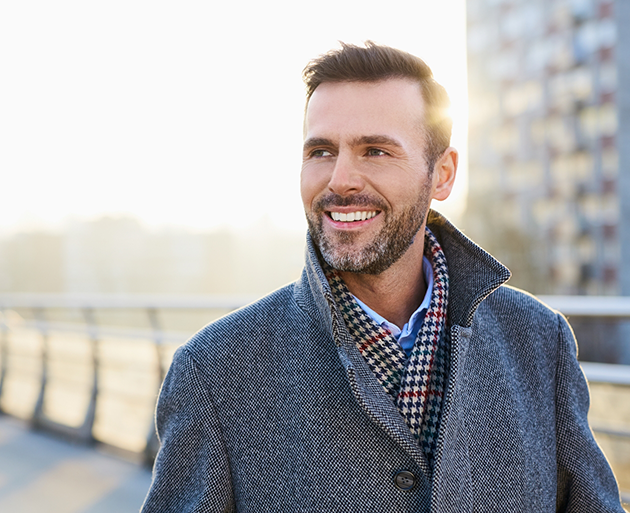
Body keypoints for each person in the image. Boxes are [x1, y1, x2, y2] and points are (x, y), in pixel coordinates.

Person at [141, 41, 624, 512]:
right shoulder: (212, 374)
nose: (340, 179)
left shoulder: (540, 343)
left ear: (442, 175)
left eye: (375, 151)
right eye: (321, 151)